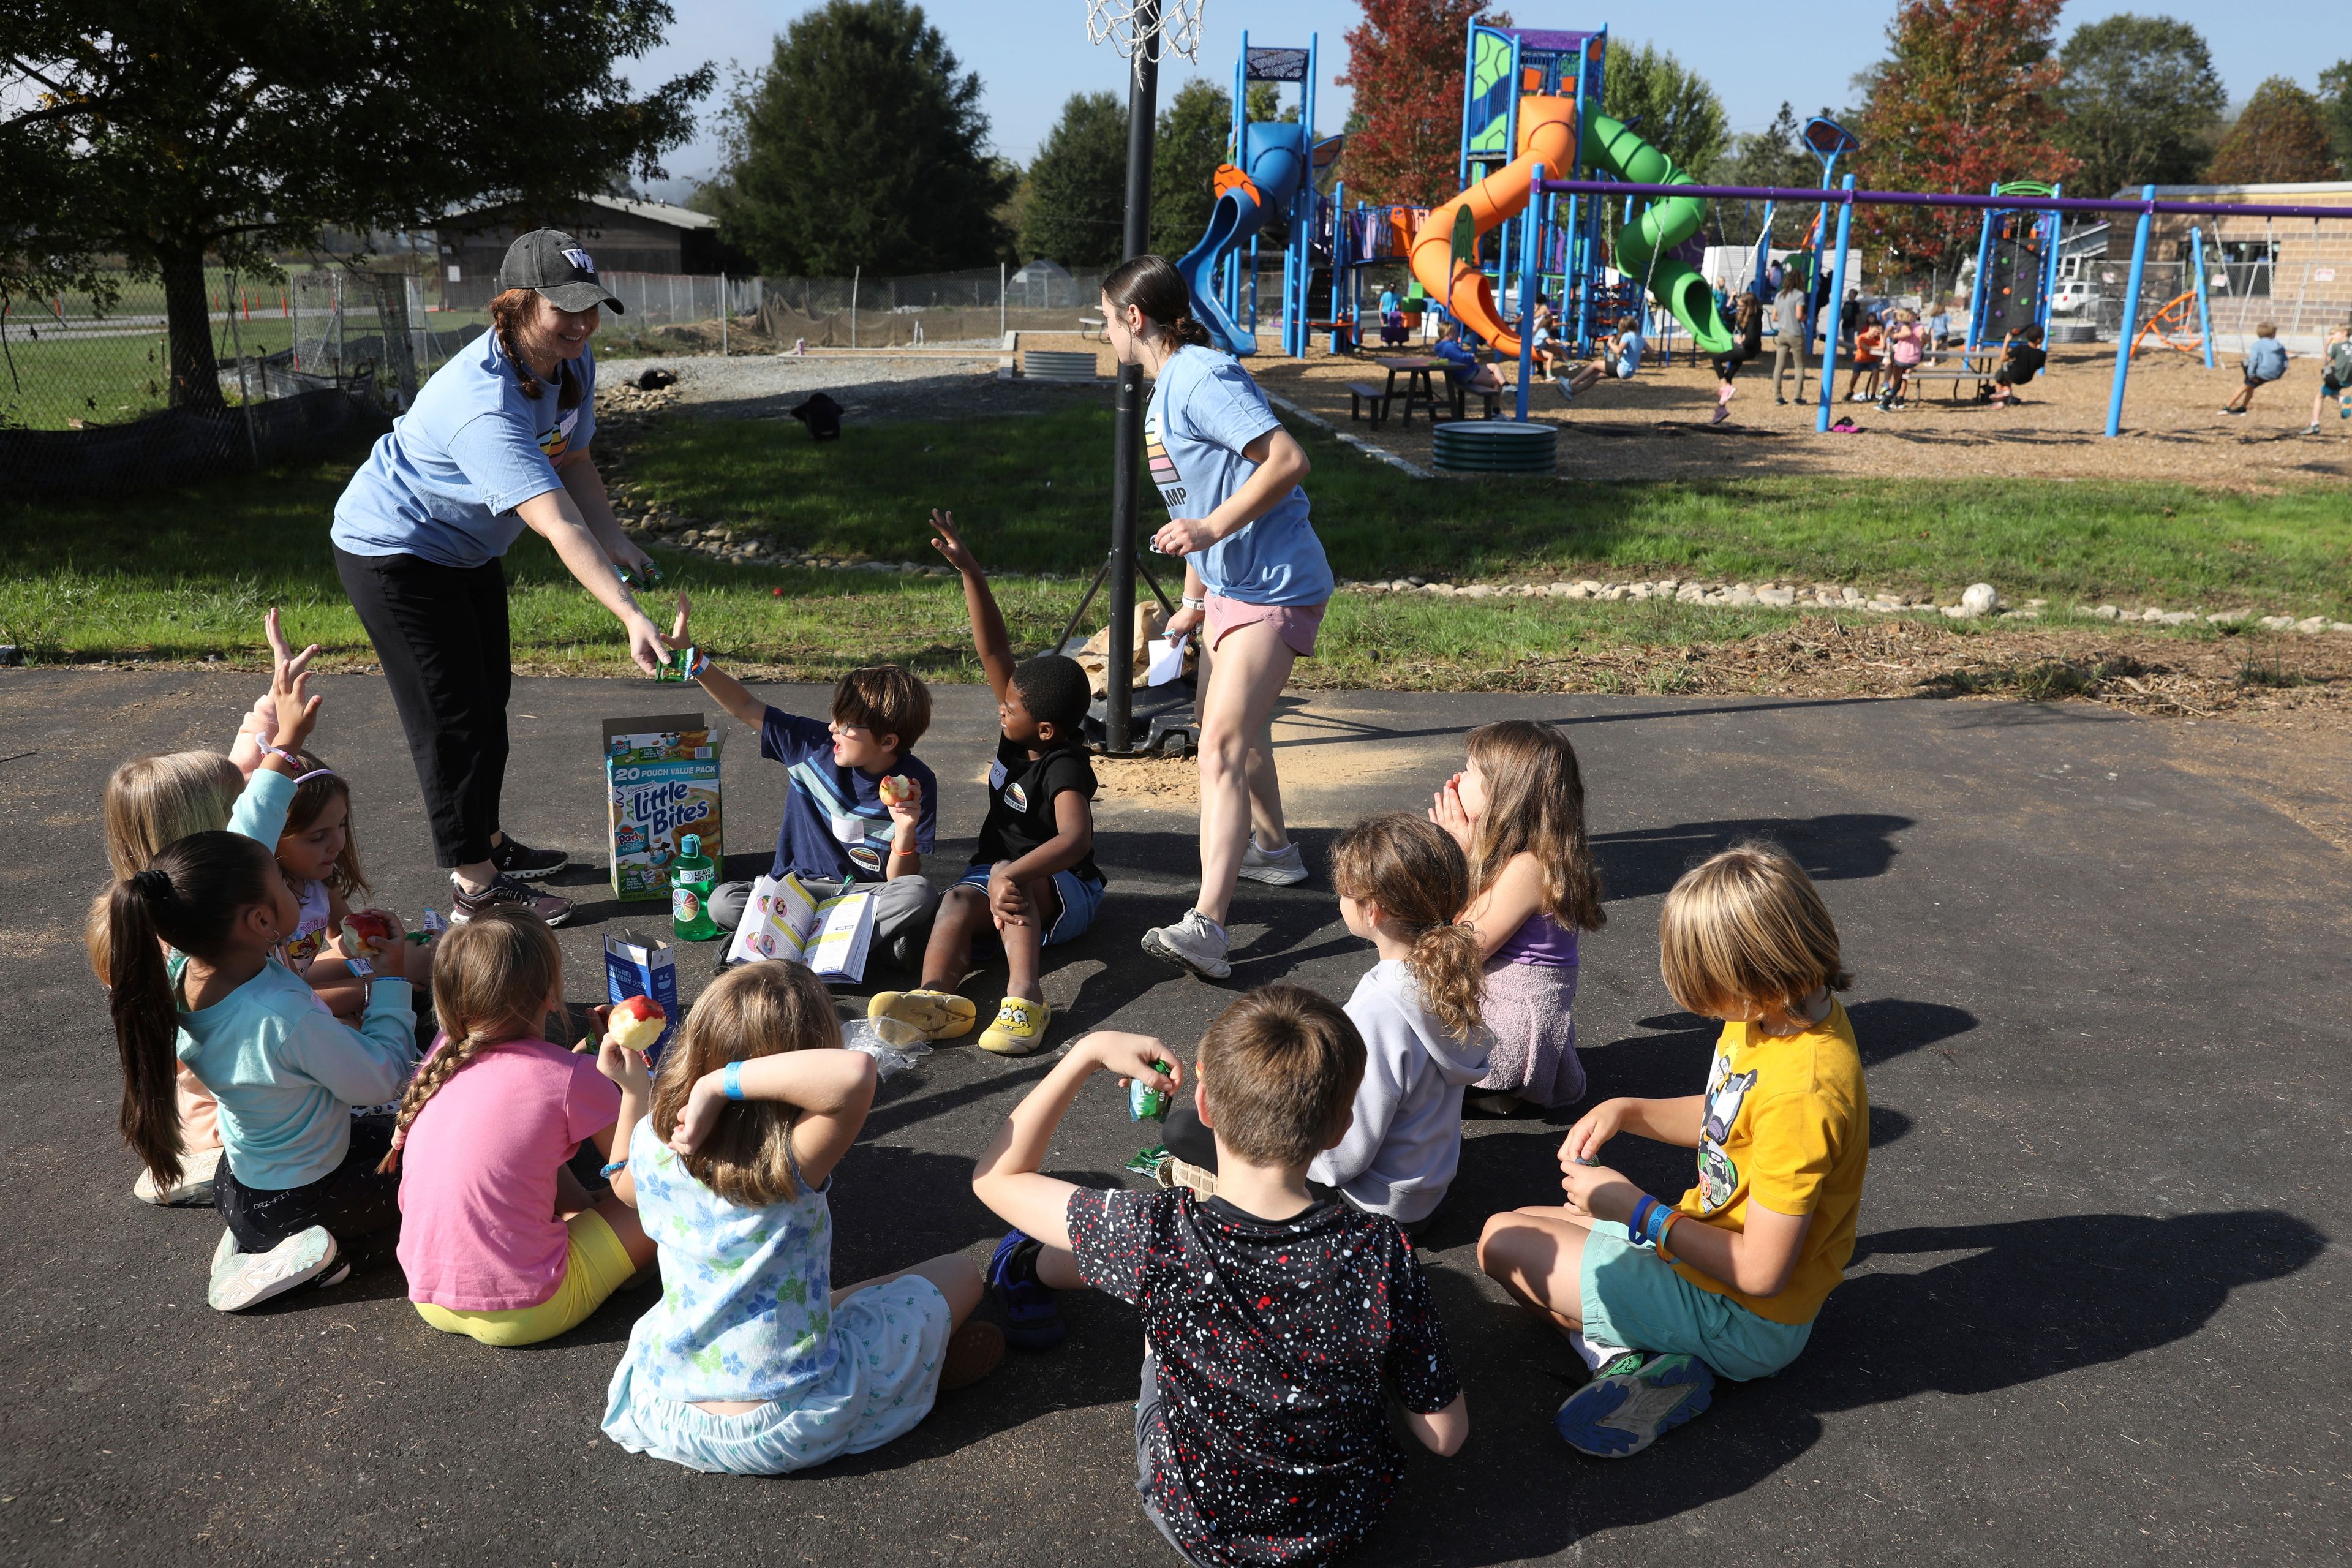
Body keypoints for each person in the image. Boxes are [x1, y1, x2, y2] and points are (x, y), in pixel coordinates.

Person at [971, 987, 1469, 1567]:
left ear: (1203, 1106)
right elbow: (1445, 1435)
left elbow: (995, 1178)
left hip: (1202, 1527)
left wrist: (1088, 1050)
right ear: (1340, 1129)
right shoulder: (1381, 1250)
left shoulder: (1157, 1231)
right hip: (1342, 1526)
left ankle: (1025, 1268)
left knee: (1152, 1296)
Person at [1476, 844, 1868, 1459]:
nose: (1704, 1007)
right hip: (1708, 1268)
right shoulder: (1776, 1015)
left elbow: (1763, 1272)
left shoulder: (1806, 1090)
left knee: (1500, 1241)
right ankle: (1654, 1359)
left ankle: (1630, 1363)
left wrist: (1638, 1210)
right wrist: (1629, 1109)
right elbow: (1728, 1118)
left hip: (1744, 1317)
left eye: (1709, 990)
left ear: (1754, 974)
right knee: (1530, 1224)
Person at [331, 228, 674, 930]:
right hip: (394, 550)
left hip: (463, 550)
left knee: (491, 702)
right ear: (517, 305)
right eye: (564, 308)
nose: (582, 323)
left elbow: (573, 461)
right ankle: (476, 890)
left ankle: (486, 841)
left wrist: (620, 539)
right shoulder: (483, 402)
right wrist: (629, 612)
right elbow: (557, 525)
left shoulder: (570, 363)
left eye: (592, 307)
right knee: (450, 717)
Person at [601, 963, 1003, 1474]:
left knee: (804, 1301)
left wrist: (634, 1090)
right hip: (783, 1423)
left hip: (667, 1406)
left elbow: (622, 1186)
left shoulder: (658, 1141)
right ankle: (912, 1378)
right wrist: (717, 1086)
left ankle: (911, 1372)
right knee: (960, 1275)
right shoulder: (789, 1160)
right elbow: (856, 1073)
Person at [1095, 254, 1330, 983]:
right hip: (1231, 590)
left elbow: (1287, 459)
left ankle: (1209, 926)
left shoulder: (1200, 376)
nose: (1104, 334)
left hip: (1277, 586)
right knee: (1232, 730)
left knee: (1220, 747)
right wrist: (1194, 601)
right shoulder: (1168, 389)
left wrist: (1209, 531)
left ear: (1135, 318)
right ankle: (1277, 854)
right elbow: (1200, 503)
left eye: (1106, 320)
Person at [107, 816, 421, 1311]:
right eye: (284, 885)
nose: (297, 893)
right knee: (441, 1184)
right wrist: (390, 983)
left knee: (405, 1134)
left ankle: (253, 1238)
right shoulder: (281, 1015)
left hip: (245, 1184)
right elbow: (380, 1078)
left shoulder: (182, 969)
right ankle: (329, 1261)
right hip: (305, 1201)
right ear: (259, 922)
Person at [1156, 813, 1492, 1232]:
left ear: (1373, 911)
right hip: (1427, 1192)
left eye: (1344, 893)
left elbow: (1340, 1161)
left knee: (1184, 1129)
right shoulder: (1445, 976)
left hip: (1371, 1209)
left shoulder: (1378, 1012)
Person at [92, 615, 323, 1208]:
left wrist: (271, 707)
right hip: (234, 1102)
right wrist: (289, 747)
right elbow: (257, 815)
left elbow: (244, 773)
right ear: (201, 832)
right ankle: (211, 1160)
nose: (246, 799)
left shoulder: (139, 903)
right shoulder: (197, 921)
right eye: (233, 804)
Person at [868, 510, 1103, 1057]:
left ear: (1045, 730)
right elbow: (994, 649)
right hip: (998, 876)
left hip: (1066, 890)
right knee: (954, 900)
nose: (1003, 707)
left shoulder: (1064, 766)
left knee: (1003, 877)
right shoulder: (1019, 732)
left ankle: (1027, 999)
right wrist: (969, 569)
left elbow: (1076, 842)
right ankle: (933, 1000)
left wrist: (1011, 873)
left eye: (1012, 706)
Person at [387, 909, 660, 1346]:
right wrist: (634, 1091)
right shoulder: (571, 1077)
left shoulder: (442, 1055)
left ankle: (581, 1222)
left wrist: (580, 1064)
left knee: (524, 1148)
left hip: (431, 1295)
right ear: (551, 994)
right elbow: (639, 1186)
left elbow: (523, 1126)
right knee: (663, 1202)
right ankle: (613, 1260)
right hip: (529, 1308)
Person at [666, 595, 941, 971]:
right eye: (834, 719)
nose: (833, 729)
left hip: (858, 897)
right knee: (722, 901)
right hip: (794, 890)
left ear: (888, 741)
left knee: (919, 894)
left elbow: (900, 882)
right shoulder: (812, 745)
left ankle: (776, 947)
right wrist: (694, 660)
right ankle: (857, 950)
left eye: (846, 726)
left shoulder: (916, 783)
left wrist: (906, 832)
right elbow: (745, 706)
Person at [1431, 720, 1605, 1115]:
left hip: (1509, 1035)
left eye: (1473, 770)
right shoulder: (1515, 857)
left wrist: (1456, 855)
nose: (1458, 777)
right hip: (1503, 1021)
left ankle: (1493, 1086)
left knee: (1391, 1042)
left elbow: (1458, 948)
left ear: (1505, 796)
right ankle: (1491, 1091)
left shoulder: (1529, 868)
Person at [1708, 291, 1763, 425]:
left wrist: (1743, 340)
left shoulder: (1754, 319)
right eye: (1738, 306)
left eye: (1742, 306)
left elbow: (1752, 338)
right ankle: (1721, 408)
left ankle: (1724, 386)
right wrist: (1731, 299)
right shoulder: (1740, 314)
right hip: (1740, 348)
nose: (1739, 309)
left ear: (1749, 306)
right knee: (1729, 376)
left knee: (1716, 359)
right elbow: (1725, 316)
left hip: (1749, 350)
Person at [1561, 314, 1645, 401]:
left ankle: (1571, 383)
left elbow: (1618, 351)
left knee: (1595, 364)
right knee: (1595, 376)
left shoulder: (1627, 336)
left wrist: (1610, 343)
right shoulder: (1641, 339)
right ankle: (1573, 393)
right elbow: (1651, 352)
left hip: (1622, 369)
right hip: (1630, 373)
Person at [2221, 322, 2289, 417]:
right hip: (2275, 374)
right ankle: (2243, 408)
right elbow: (2285, 362)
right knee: (2251, 386)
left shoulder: (2257, 345)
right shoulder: (2280, 346)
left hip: (2260, 373)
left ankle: (2227, 407)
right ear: (2273, 334)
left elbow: (2253, 361)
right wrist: (2280, 373)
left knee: (2245, 380)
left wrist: (2251, 375)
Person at [1431, 318, 1506, 396]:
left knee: (1494, 367)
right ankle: (1496, 407)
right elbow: (1462, 359)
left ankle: (1506, 385)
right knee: (1496, 382)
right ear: (1447, 333)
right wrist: (1471, 356)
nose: (1456, 333)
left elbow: (1458, 358)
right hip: (1466, 374)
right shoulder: (1449, 347)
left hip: (1464, 372)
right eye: (1453, 332)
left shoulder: (1441, 346)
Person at [1985, 323, 2047, 408]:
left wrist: (2006, 342)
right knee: (2009, 372)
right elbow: (2039, 366)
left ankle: (2000, 400)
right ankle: (2007, 391)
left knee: (2000, 373)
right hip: (2027, 378)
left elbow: (2003, 358)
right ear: (2039, 340)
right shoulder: (2042, 354)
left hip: (2013, 375)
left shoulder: (2021, 348)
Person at [1771, 274, 1810, 403]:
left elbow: (1774, 317)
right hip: (1795, 333)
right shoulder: (1799, 295)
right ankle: (1797, 397)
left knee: (1779, 367)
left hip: (1782, 333)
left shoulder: (1779, 295)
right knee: (1799, 366)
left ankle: (1777, 396)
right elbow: (1799, 316)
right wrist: (1806, 317)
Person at [2308, 325, 2352, 434]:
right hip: (2349, 380)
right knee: (2331, 391)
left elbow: (2326, 362)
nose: (2332, 337)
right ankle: (2341, 400)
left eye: (2334, 334)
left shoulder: (2337, 347)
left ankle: (2315, 424)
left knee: (2320, 396)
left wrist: (2327, 345)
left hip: (2339, 378)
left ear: (2345, 333)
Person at [1880, 310, 1924, 408]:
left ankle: (1886, 388)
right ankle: (1890, 399)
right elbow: (1922, 337)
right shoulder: (1915, 326)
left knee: (1895, 374)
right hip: (1910, 359)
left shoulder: (1903, 325)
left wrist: (1894, 336)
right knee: (1899, 379)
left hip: (1902, 358)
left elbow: (1905, 333)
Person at [1844, 311, 1885, 402]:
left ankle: (1873, 394)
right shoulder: (1861, 338)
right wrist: (1877, 348)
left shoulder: (1878, 338)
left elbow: (1882, 347)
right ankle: (1850, 391)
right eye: (1876, 331)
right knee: (1855, 375)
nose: (1876, 333)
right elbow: (1865, 348)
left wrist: (1882, 335)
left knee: (1876, 372)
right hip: (1860, 360)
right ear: (1870, 328)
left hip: (1872, 361)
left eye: (1879, 331)